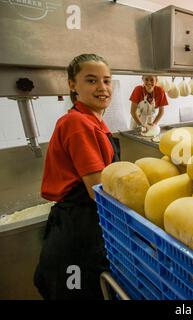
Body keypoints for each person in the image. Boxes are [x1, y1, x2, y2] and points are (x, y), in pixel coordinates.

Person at [34, 54, 120, 300]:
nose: (102, 88)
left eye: (107, 81)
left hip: (87, 223)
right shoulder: (77, 123)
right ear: (72, 85)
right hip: (79, 230)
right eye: (91, 81)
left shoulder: (95, 123)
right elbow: (98, 191)